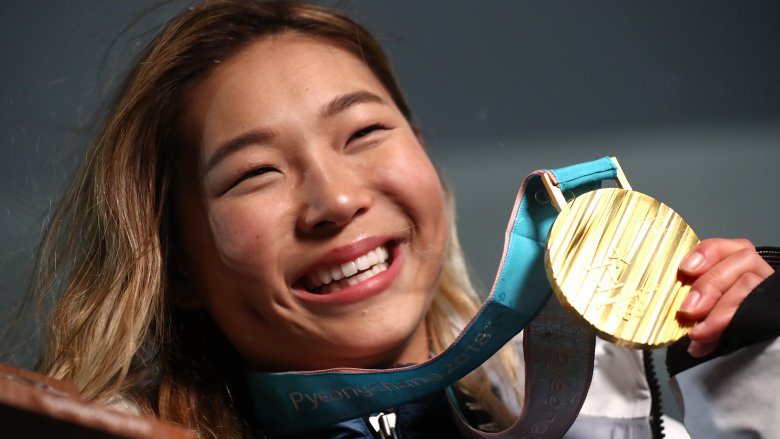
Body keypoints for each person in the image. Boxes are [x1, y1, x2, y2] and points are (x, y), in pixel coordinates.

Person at [22, 1, 779, 438]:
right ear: (179, 263)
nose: (337, 200)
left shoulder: (608, 418)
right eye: (255, 173)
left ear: (425, 159)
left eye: (364, 133)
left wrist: (758, 362)